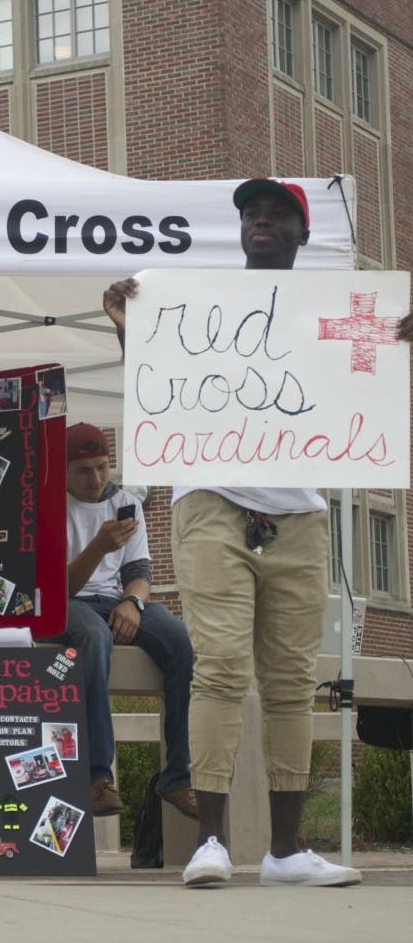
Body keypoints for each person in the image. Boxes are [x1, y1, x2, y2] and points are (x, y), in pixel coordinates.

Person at [102, 178, 361, 888]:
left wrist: (394, 344)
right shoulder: (201, 302)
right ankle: (211, 840)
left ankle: (284, 850)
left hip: (299, 511)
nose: (264, 223)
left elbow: (362, 389)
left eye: (278, 216)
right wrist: (131, 328)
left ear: (302, 236)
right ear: (241, 229)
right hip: (212, 499)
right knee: (218, 665)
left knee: (291, 681)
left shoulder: (326, 314)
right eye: (253, 215)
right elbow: (161, 386)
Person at [60, 421, 197, 821]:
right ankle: (98, 777)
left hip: (115, 599)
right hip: (68, 600)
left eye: (102, 467)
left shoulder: (126, 503)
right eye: (84, 470)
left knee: (179, 641)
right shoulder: (48, 508)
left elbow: (139, 571)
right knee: (93, 638)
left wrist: (133, 602)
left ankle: (177, 775)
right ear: (65, 470)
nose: (96, 478)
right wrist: (99, 546)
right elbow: (60, 587)